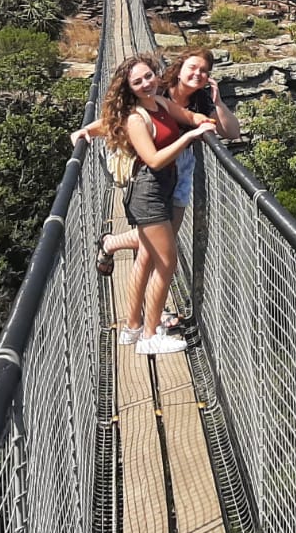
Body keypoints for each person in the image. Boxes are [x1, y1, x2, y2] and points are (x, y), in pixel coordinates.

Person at [91, 53, 214, 355]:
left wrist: (201, 119)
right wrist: (191, 138)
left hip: (160, 189)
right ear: (129, 88)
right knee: (166, 262)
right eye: (138, 81)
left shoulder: (160, 103)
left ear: (157, 75)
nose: (146, 83)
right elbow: (155, 160)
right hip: (148, 193)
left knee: (157, 258)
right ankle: (149, 336)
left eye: (149, 76)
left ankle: (136, 328)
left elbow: (186, 117)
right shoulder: (136, 118)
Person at [90, 48, 238, 272]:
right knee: (155, 246)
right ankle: (146, 297)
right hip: (151, 169)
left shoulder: (201, 99)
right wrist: (87, 131)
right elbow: (119, 118)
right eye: (192, 67)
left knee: (166, 236)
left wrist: (218, 104)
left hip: (183, 166)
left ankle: (111, 243)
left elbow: (232, 133)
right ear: (179, 70)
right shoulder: (158, 92)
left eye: (204, 71)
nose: (198, 74)